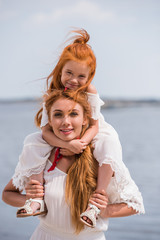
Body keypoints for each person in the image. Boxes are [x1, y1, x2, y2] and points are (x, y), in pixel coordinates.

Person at [9, 28, 142, 227]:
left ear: (89, 77)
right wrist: (66, 144)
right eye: (69, 73)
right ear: (60, 70)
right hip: (63, 136)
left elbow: (95, 126)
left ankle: (98, 199)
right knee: (33, 141)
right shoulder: (53, 92)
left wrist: (80, 143)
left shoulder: (90, 91)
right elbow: (45, 130)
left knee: (110, 141)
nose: (73, 80)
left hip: (90, 130)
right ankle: (36, 197)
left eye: (81, 76)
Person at [2, 90, 144, 240]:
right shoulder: (39, 158)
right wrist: (31, 199)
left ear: (85, 119)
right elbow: (7, 195)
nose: (65, 122)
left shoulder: (103, 161)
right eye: (58, 114)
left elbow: (134, 204)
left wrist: (105, 210)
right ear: (49, 120)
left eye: (73, 114)